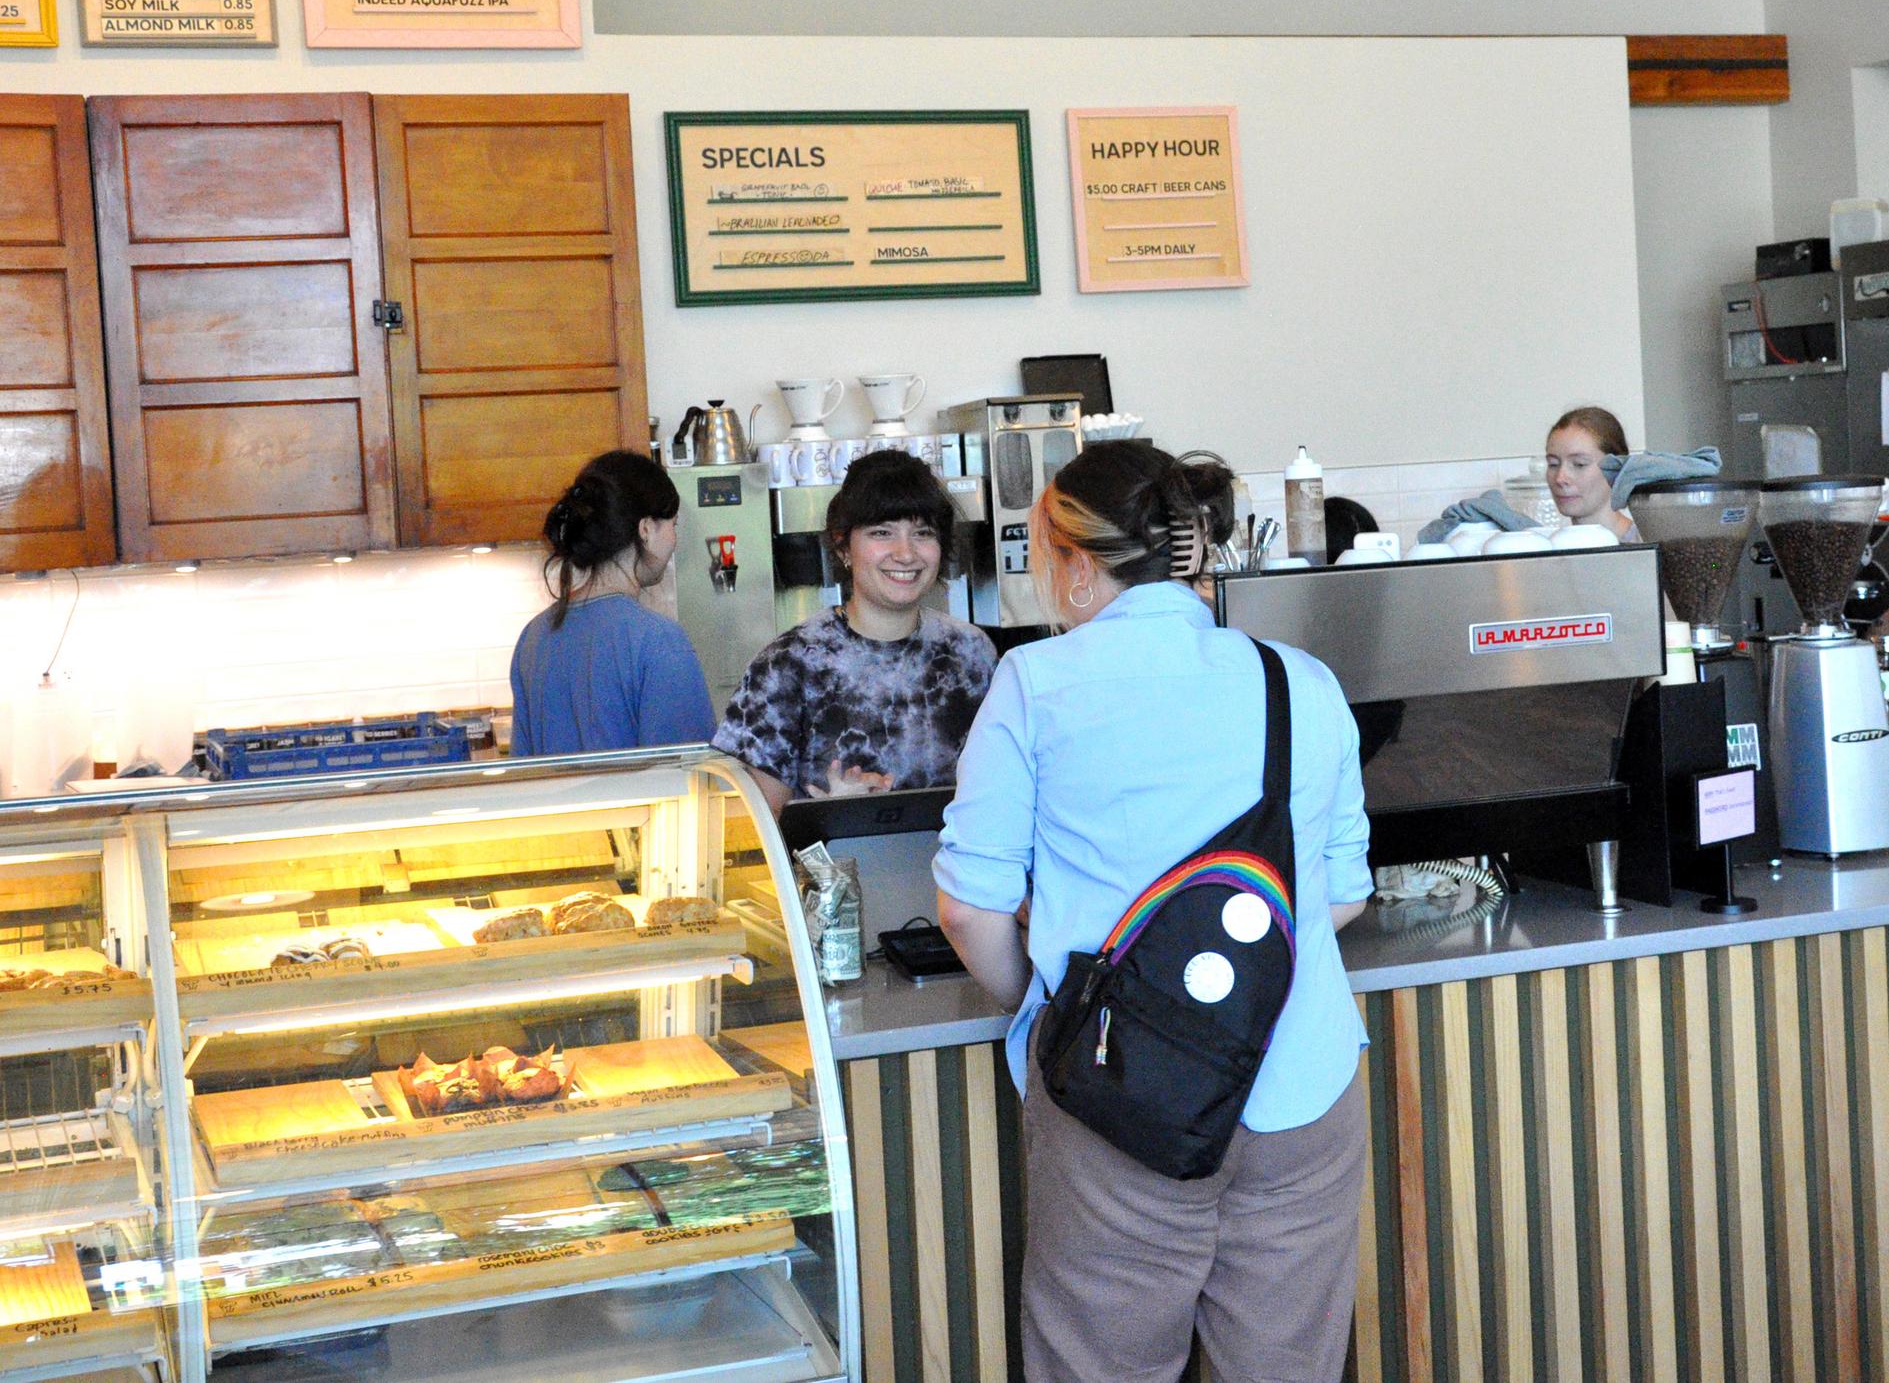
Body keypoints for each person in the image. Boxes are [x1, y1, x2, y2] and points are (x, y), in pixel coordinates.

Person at [933, 441, 1374, 1383]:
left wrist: (1056, 1005)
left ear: (1073, 557)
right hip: (1302, 1085)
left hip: (1114, 1100)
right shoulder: (1299, 679)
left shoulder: (1036, 684)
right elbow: (1341, 894)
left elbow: (970, 910)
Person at [715, 450, 996, 816]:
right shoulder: (787, 666)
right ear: (843, 546)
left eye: (922, 533)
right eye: (882, 532)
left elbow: (1005, 789)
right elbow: (749, 825)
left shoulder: (972, 654)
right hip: (830, 871)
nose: (905, 553)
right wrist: (833, 813)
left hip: (961, 870)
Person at [510, 451, 715, 756]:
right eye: (673, 524)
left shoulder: (534, 637)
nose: (675, 539)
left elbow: (523, 773)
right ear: (645, 529)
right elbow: (691, 773)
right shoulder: (658, 640)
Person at [1547, 403, 1637, 540]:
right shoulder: (1549, 549)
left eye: (1579, 464)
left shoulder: (1646, 546)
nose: (1560, 478)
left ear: (1615, 468)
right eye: (1553, 464)